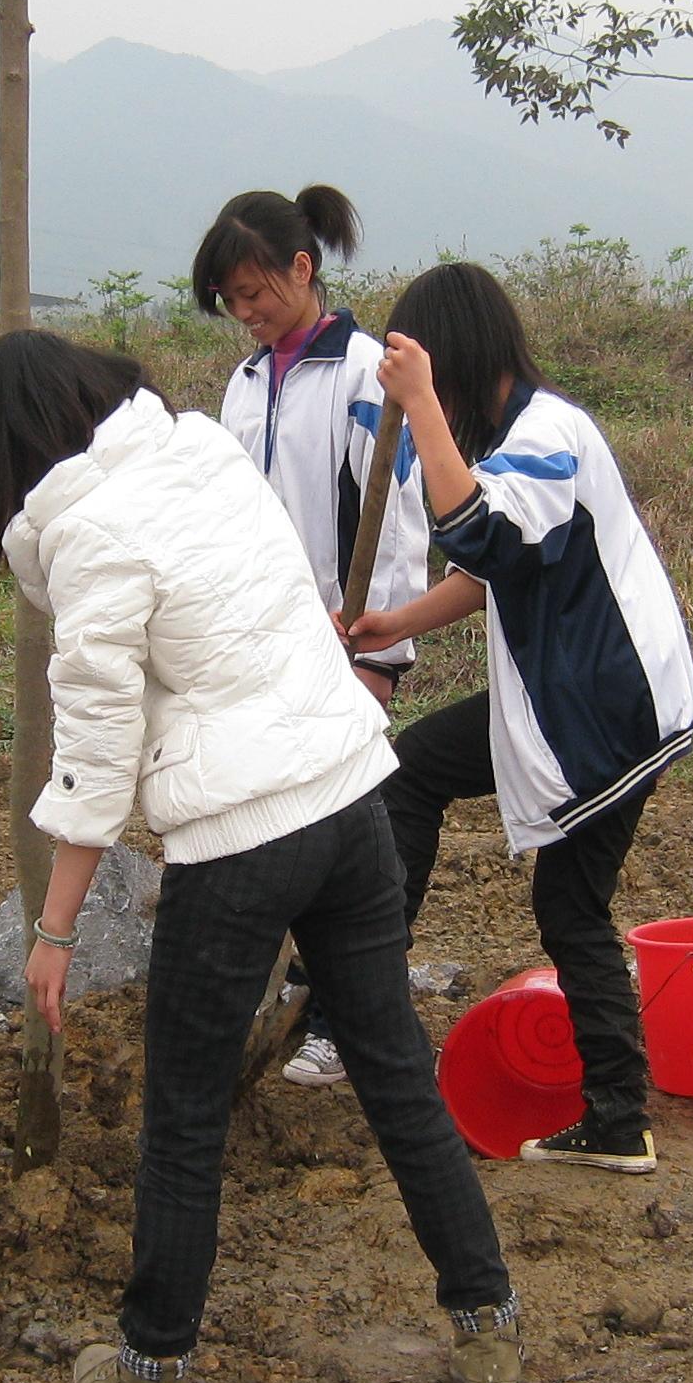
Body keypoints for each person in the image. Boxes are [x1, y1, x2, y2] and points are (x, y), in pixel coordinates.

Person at [0, 330, 517, 1383]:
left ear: (6, 455)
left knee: (184, 1120)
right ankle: (488, 1329)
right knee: (397, 1076)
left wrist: (54, 930)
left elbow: (98, 756)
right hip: (353, 797)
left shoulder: (90, 540)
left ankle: (151, 1377)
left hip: (244, 837)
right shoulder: (203, 448)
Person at [348, 263, 693, 1175]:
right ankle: (378, 974)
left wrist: (420, 405)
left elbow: (480, 534)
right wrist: (398, 620)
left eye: (434, 373)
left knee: (570, 905)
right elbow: (493, 569)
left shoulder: (549, 435)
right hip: (573, 697)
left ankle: (620, 1118)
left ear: (454, 358)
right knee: (415, 768)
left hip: (606, 709)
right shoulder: (523, 442)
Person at [189, 184, 429, 1092]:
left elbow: (396, 515)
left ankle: (337, 1017)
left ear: (304, 268)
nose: (246, 315)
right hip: (259, 642)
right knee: (272, 823)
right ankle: (285, 999)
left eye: (256, 294)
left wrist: (378, 649)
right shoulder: (245, 383)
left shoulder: (366, 373)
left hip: (345, 637)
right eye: (232, 303)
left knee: (344, 829)